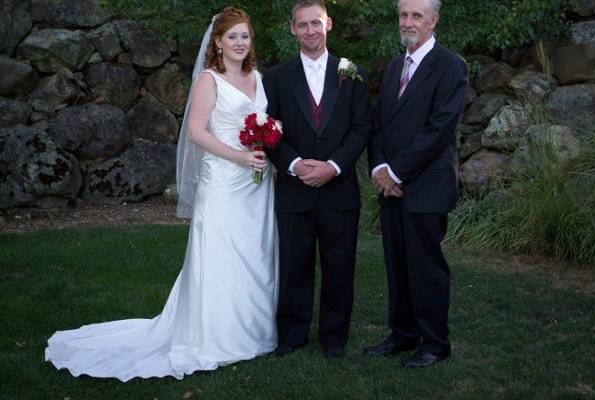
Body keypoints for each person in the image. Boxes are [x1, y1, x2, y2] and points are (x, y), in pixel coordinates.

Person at [45, 8, 278, 381]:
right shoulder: (209, 80)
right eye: (232, 36)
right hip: (222, 182)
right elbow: (197, 133)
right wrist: (239, 155)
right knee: (222, 255)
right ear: (217, 41)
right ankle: (216, 338)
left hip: (256, 186)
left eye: (244, 36)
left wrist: (269, 137)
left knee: (256, 254)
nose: (239, 43)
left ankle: (254, 332)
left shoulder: (258, 78)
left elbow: (266, 121)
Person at [263, 0, 370, 359]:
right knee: (294, 265)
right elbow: (269, 131)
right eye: (302, 24)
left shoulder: (351, 71)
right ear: (292, 29)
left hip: (339, 189)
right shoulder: (275, 77)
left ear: (328, 24)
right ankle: (292, 335)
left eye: (316, 23)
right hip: (294, 189)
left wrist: (333, 167)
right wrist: (294, 164)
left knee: (339, 267)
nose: (310, 30)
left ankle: (334, 338)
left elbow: (360, 128)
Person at [365, 0, 468, 368]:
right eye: (403, 15)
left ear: (433, 20)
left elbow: (439, 130)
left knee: (426, 267)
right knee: (397, 264)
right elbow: (379, 123)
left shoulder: (451, 66)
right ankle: (404, 334)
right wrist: (379, 168)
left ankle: (435, 344)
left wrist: (394, 172)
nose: (408, 22)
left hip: (426, 186)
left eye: (416, 16)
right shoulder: (395, 67)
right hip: (390, 186)